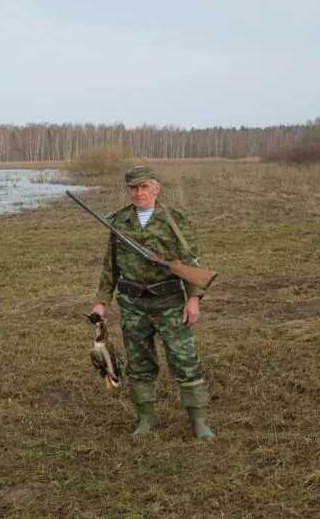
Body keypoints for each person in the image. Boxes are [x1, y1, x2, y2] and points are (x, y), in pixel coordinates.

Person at [90, 165, 215, 440]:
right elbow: (109, 267)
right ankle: (145, 421)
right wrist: (101, 302)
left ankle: (199, 422)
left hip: (169, 301)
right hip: (132, 305)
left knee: (185, 359)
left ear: (156, 188)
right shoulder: (119, 222)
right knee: (139, 363)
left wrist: (193, 300)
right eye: (133, 188)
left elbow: (191, 261)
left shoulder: (175, 220)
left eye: (144, 187)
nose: (138, 193)